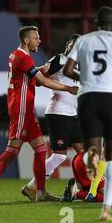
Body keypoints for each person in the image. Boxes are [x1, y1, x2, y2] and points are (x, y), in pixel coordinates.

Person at [63, 6, 112, 221]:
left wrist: (85, 76)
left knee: (92, 149)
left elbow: (68, 70)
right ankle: (106, 208)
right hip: (111, 98)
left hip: (88, 97)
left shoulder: (83, 41)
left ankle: (91, 159)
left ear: (96, 21)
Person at [0, 26, 78, 202]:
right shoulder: (23, 57)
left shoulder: (18, 56)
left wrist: (45, 68)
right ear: (26, 40)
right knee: (11, 153)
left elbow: (34, 73)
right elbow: (42, 81)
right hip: (21, 109)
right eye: (36, 38)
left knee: (40, 150)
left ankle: (39, 192)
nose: (39, 40)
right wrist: (68, 88)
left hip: (27, 110)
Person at [21, 34, 83, 201]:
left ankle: (84, 188)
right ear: (68, 44)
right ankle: (32, 186)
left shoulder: (80, 65)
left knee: (84, 153)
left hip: (73, 114)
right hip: (58, 112)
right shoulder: (59, 60)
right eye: (73, 44)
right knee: (59, 155)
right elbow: (40, 77)